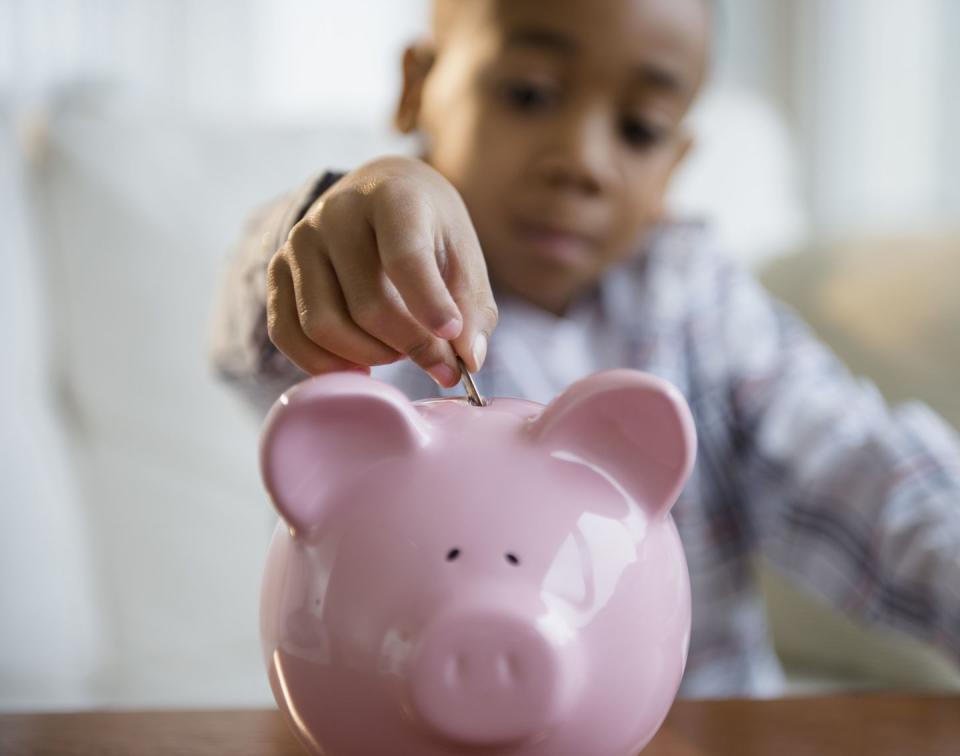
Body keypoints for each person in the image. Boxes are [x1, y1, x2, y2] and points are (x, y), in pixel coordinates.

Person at [208, 0, 960, 697]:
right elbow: (259, 340)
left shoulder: (698, 304)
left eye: (638, 129)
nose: (582, 161)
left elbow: (855, 468)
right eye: (530, 94)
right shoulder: (381, 294)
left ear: (675, 163)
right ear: (419, 85)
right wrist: (335, 229)